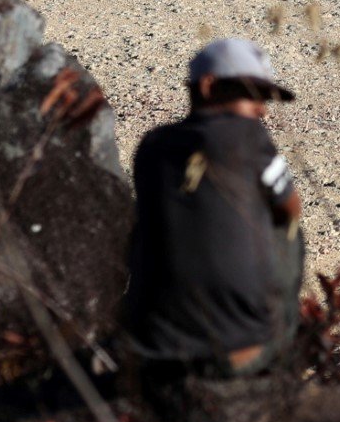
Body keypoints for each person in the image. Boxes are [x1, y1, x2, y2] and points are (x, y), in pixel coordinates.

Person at [124, 38, 303, 380]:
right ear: (208, 87)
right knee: (286, 226)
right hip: (236, 342)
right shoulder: (248, 136)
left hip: (154, 339)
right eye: (252, 96)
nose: (262, 110)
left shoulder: (151, 145)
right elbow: (292, 208)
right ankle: (270, 343)